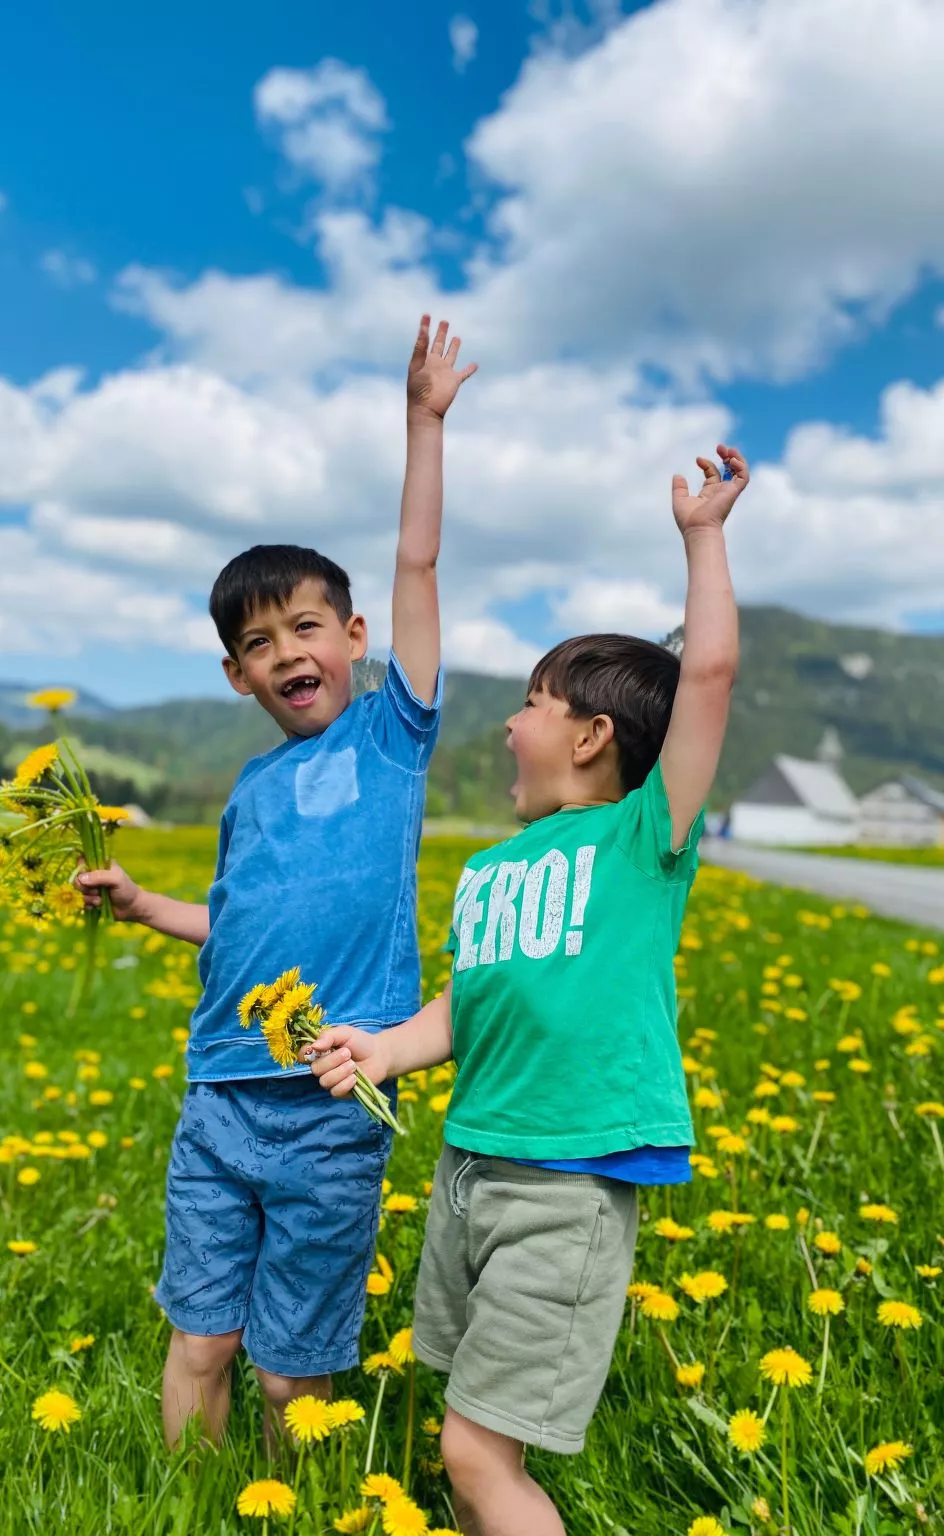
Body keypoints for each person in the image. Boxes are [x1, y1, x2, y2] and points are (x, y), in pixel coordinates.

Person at [305, 444, 749, 1536]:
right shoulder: (490, 869)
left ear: (593, 737)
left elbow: (706, 678)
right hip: (468, 1169)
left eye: (532, 704)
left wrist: (702, 537)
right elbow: (467, 1007)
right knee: (463, 1422)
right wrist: (382, 1049)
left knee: (473, 1449)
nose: (507, 723)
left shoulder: (647, 837)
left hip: (565, 1181)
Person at [77, 316, 477, 1448]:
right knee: (199, 1338)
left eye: (308, 626)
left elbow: (417, 564)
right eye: (260, 642)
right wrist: (145, 905)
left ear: (354, 637)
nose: (288, 651)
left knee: (291, 1372)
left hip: (329, 1101)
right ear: (233, 671)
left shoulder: (393, 740)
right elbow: (239, 921)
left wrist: (422, 422)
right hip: (217, 1094)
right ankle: (190, 1501)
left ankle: (280, 1500)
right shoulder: (250, 788)